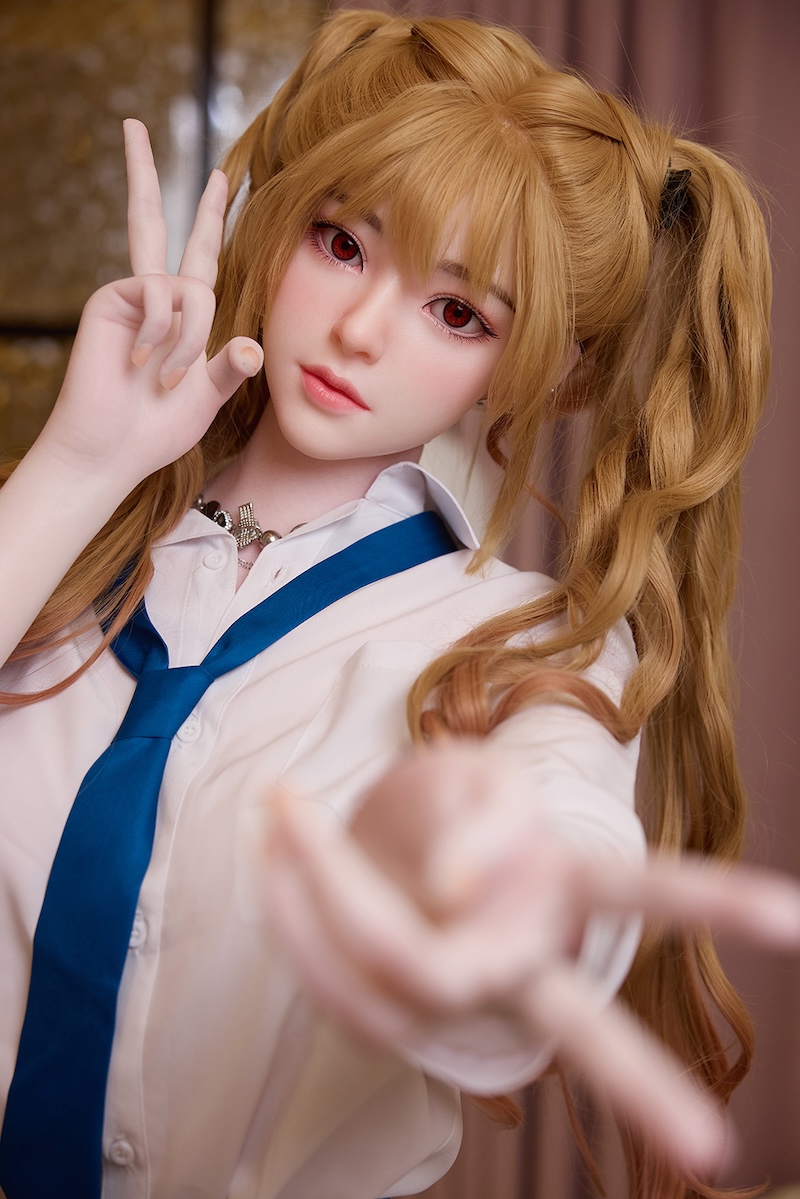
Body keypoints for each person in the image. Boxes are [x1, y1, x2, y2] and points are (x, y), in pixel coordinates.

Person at [0, 9, 791, 1199]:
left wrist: (485, 893)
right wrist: (76, 467)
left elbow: (553, 832)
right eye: (342, 242)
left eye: (458, 311)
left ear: (542, 368)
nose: (359, 330)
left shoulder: (524, 645)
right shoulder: (64, 540)